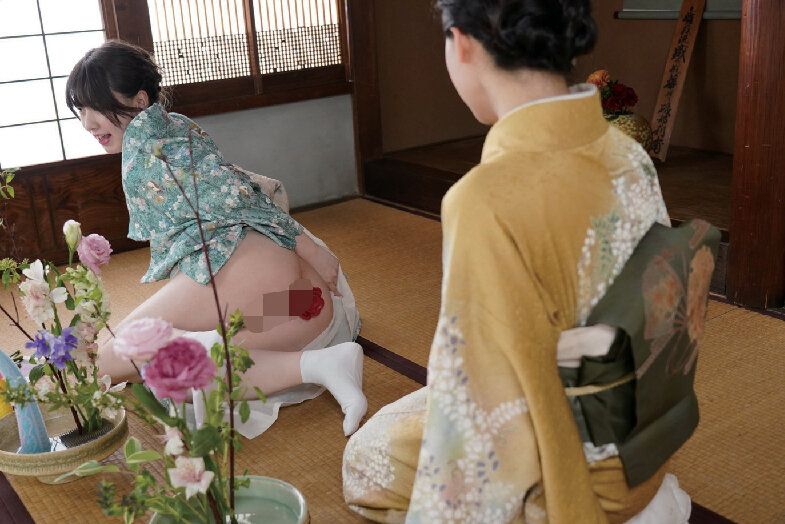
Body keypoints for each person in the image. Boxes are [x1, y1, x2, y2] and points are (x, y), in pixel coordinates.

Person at [341, 0, 710, 521]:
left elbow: (482, 404)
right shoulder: (629, 155)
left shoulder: (483, 200)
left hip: (575, 479)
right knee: (412, 415)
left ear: (462, 43)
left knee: (368, 456)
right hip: (639, 452)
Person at [65, 40, 366, 437]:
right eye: (80, 109)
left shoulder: (150, 149)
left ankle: (46, 397)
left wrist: (313, 251)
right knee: (171, 366)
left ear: (139, 101)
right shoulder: (174, 126)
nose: (87, 123)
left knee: (115, 359)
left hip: (256, 269)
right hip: (299, 301)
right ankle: (321, 365)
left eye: (96, 107)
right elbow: (237, 185)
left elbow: (238, 195)